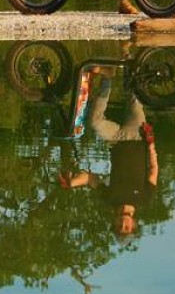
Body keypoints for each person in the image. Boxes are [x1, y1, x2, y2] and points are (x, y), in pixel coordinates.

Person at [58, 65, 158, 240]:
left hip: (116, 140)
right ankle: (132, 59)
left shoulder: (109, 198)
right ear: (134, 225)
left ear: (114, 222)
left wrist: (72, 183)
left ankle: (108, 77)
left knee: (95, 123)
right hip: (138, 137)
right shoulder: (144, 199)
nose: (123, 224)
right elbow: (153, 170)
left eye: (119, 226)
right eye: (126, 227)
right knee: (134, 97)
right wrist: (151, 145)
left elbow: (91, 179)